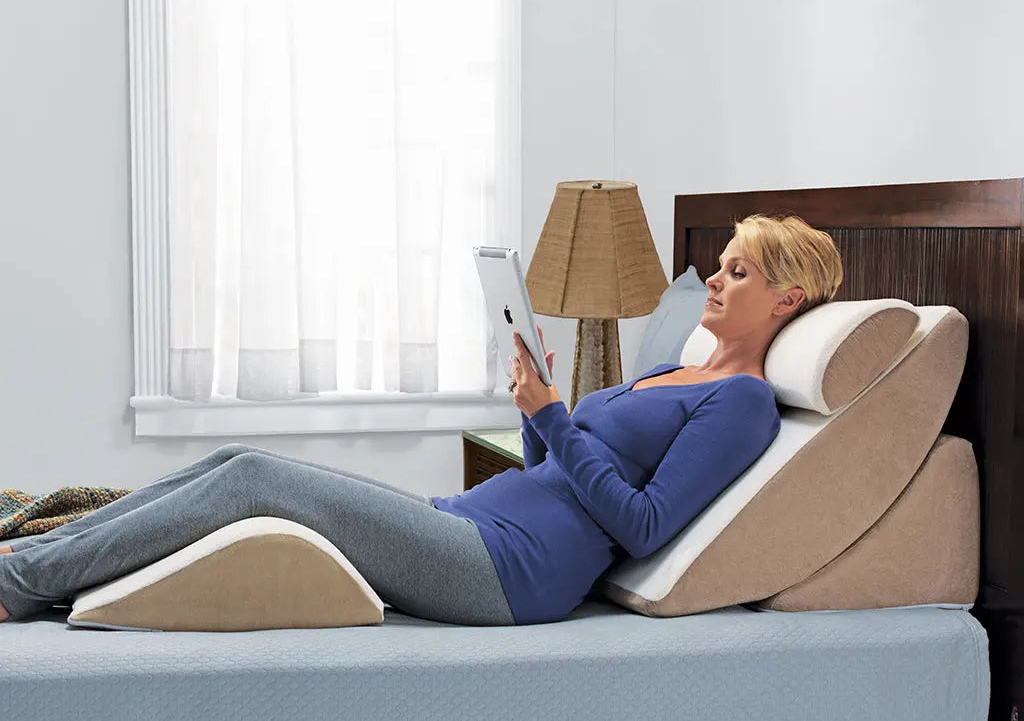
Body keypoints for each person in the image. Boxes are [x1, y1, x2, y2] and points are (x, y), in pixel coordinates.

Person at [0, 213, 843, 628]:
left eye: (739, 272)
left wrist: (557, 417)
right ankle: (28, 559)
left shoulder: (743, 403)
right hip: (470, 524)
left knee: (257, 482)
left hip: (516, 571)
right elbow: (568, 461)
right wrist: (539, 407)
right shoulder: (676, 369)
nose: (719, 282)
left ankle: (16, 585)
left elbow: (646, 525)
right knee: (237, 457)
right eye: (722, 268)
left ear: (787, 299)